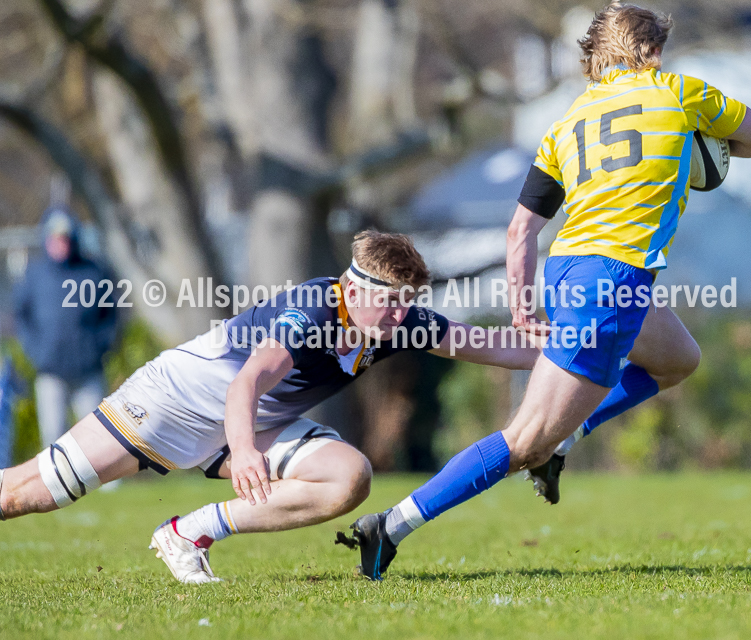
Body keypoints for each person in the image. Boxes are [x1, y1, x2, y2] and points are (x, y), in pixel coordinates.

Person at [344, 2, 751, 580]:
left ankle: (569, 436)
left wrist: (523, 304)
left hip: (569, 267)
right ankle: (392, 525)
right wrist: (706, 144)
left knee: (678, 359)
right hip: (617, 277)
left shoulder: (567, 122)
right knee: (524, 440)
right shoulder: (679, 90)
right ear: (649, 52)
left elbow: (522, 228)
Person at [0, 230, 544, 584]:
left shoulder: (400, 326)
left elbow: (496, 347)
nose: (402, 319)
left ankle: (188, 532)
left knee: (348, 477)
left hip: (255, 424)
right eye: (392, 305)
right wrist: (242, 450)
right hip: (175, 402)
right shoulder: (314, 308)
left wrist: (583, 346)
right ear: (353, 292)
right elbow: (246, 383)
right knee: (27, 494)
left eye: (409, 306)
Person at [13, 207, 118, 447]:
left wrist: (98, 349)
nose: (61, 244)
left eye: (65, 238)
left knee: (99, 436)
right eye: (55, 238)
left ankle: (114, 486)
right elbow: (21, 317)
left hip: (88, 370)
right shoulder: (34, 274)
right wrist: (37, 352)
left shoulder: (94, 271)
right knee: (53, 438)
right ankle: (57, 485)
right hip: (49, 370)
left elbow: (111, 316)